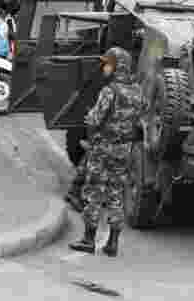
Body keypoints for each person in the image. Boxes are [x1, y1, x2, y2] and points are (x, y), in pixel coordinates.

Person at [68, 47, 143, 257]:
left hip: (103, 148)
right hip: (124, 149)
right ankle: (112, 243)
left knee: (94, 191)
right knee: (116, 193)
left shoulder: (110, 91)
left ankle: (88, 240)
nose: (104, 67)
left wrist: (90, 120)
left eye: (108, 63)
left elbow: (95, 119)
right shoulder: (137, 90)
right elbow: (140, 120)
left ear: (118, 66)